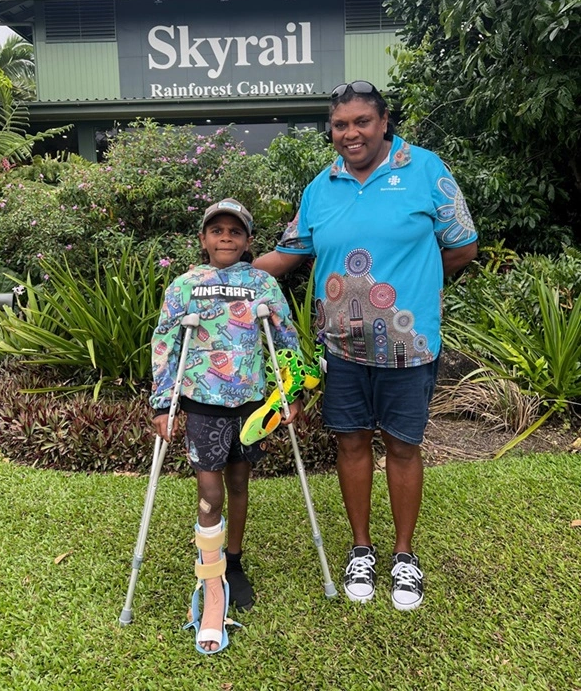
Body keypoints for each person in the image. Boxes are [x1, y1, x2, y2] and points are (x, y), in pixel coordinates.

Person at [254, 81, 478, 611]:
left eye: (361, 122)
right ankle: (361, 548)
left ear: (383, 124)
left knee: (402, 445)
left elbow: (463, 246)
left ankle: (403, 555)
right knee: (350, 443)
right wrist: (225, 273)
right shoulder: (321, 186)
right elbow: (288, 255)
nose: (350, 133)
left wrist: (418, 286)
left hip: (410, 344)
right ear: (331, 131)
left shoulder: (425, 170)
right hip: (342, 347)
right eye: (340, 125)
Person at [150, 198, 301, 655]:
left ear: (248, 241)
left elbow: (286, 338)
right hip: (203, 402)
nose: (226, 238)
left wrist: (288, 394)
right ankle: (211, 579)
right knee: (210, 492)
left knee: (239, 482)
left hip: (251, 402)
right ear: (203, 239)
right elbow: (165, 342)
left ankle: (233, 561)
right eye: (216, 230)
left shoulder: (262, 283)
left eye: (235, 232)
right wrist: (162, 403)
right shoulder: (185, 286)